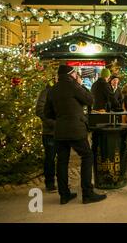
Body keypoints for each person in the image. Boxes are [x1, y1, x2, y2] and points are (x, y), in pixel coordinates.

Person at [44, 64, 106, 204]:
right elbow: (90, 100)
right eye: (75, 74)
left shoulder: (52, 90)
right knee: (87, 156)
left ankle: (64, 195)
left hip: (60, 130)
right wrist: (81, 85)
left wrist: (61, 118)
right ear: (72, 75)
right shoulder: (74, 86)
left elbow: (47, 113)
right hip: (76, 129)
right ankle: (87, 193)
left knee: (62, 161)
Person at [35, 76, 58, 193]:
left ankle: (61, 182)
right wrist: (52, 123)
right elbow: (39, 110)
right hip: (50, 132)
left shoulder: (61, 91)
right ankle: (50, 183)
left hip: (62, 131)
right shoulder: (47, 92)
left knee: (62, 158)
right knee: (50, 158)